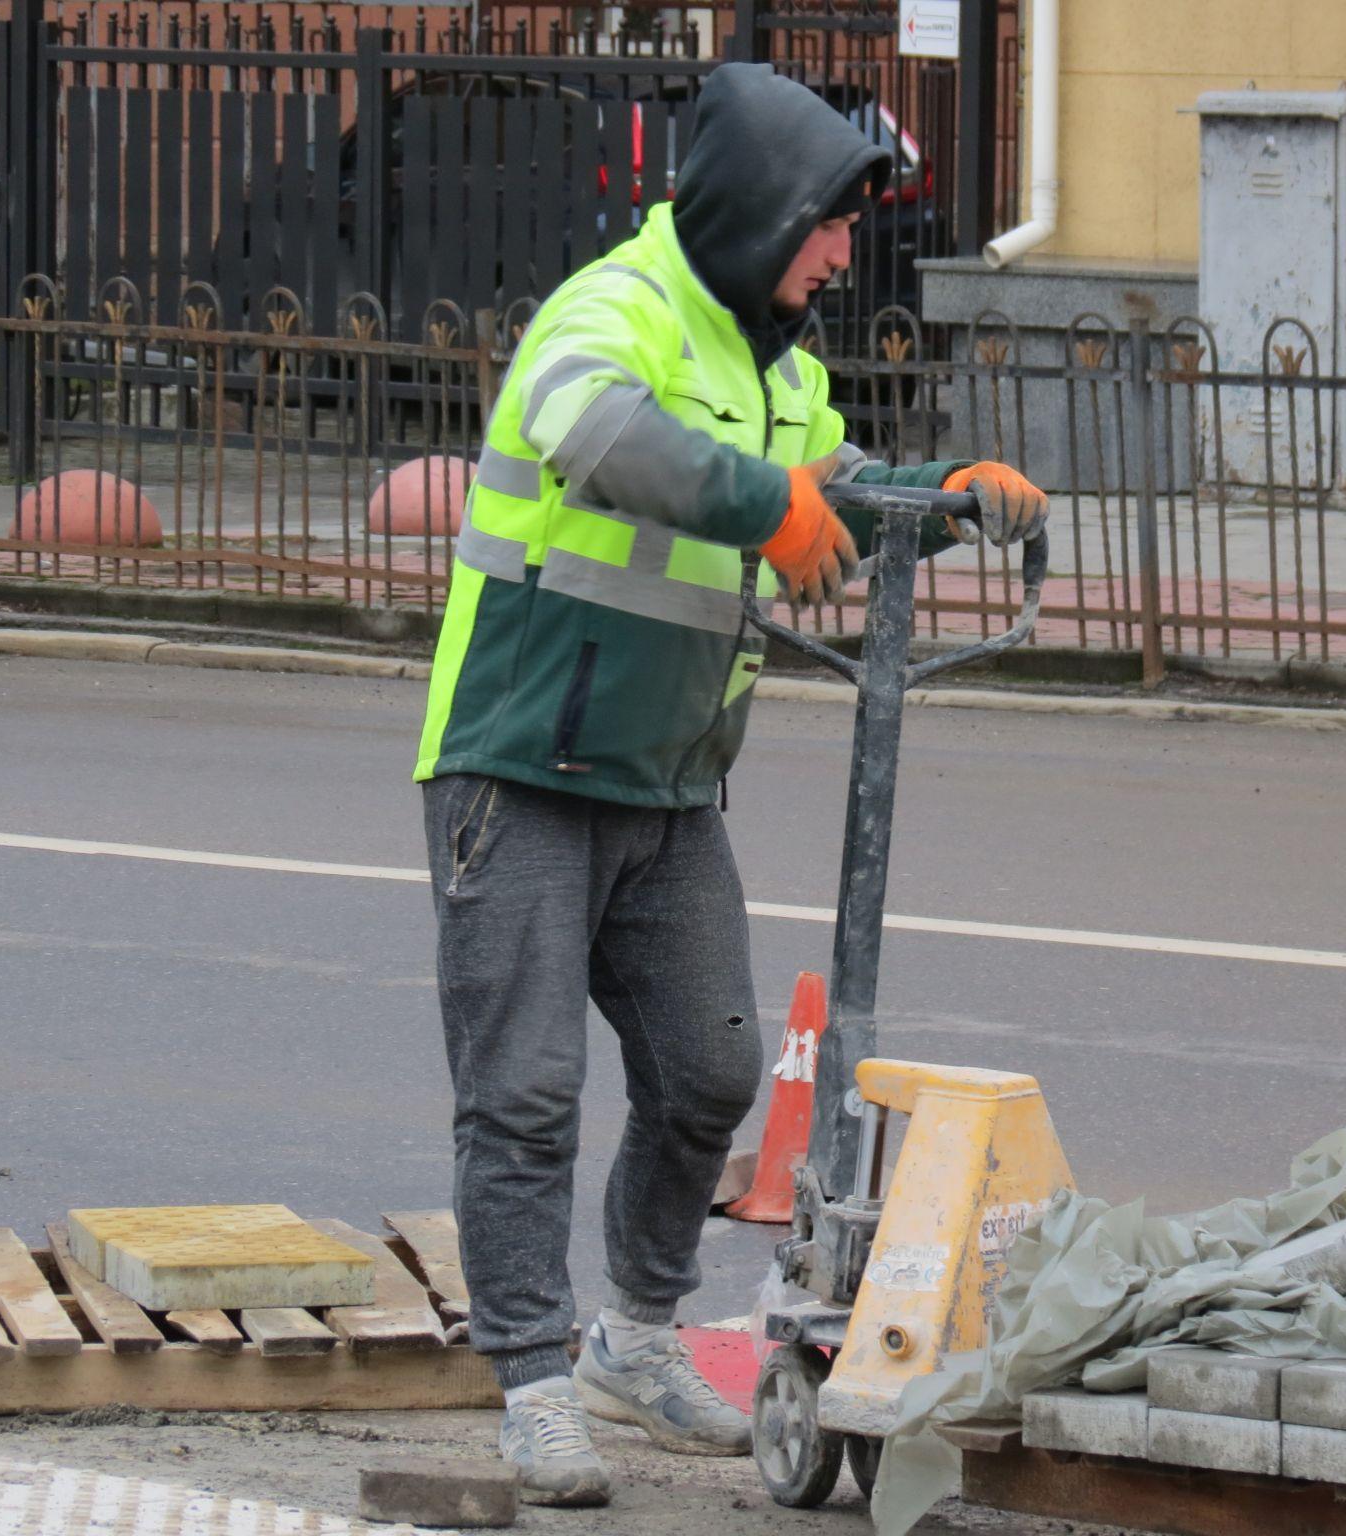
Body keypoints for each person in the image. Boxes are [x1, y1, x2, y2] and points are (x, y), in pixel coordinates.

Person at [414, 62, 1047, 1507]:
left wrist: (950, 497)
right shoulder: (613, 313)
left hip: (666, 787)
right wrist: (771, 506)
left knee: (708, 1071)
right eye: (828, 226)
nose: (840, 254)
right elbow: (595, 433)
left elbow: (840, 494)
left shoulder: (781, 369)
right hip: (518, 765)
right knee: (522, 1092)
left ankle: (631, 1338)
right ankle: (530, 1380)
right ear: (764, 213)